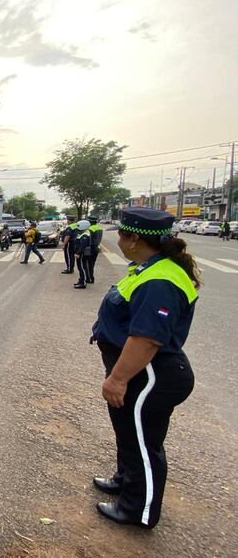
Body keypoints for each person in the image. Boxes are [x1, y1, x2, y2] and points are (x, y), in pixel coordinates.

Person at [90, 207, 200, 529]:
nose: (119, 240)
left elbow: (147, 339)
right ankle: (125, 480)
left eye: (122, 235)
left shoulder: (160, 281)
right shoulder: (148, 268)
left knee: (143, 442)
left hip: (150, 373)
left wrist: (117, 379)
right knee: (128, 432)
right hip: (140, 372)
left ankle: (138, 510)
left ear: (135, 238)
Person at [74, 220, 92, 289]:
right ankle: (81, 280)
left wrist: (78, 253)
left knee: (82, 268)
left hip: (81, 254)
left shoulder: (85, 235)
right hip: (81, 254)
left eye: (78, 226)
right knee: (81, 267)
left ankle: (83, 283)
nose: (77, 227)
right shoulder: (84, 233)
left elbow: (82, 246)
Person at [87, 216, 104, 284]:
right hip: (97, 247)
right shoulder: (100, 228)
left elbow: (89, 239)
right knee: (92, 263)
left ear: (90, 222)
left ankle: (90, 278)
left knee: (89, 264)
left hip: (91, 247)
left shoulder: (90, 228)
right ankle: (91, 277)